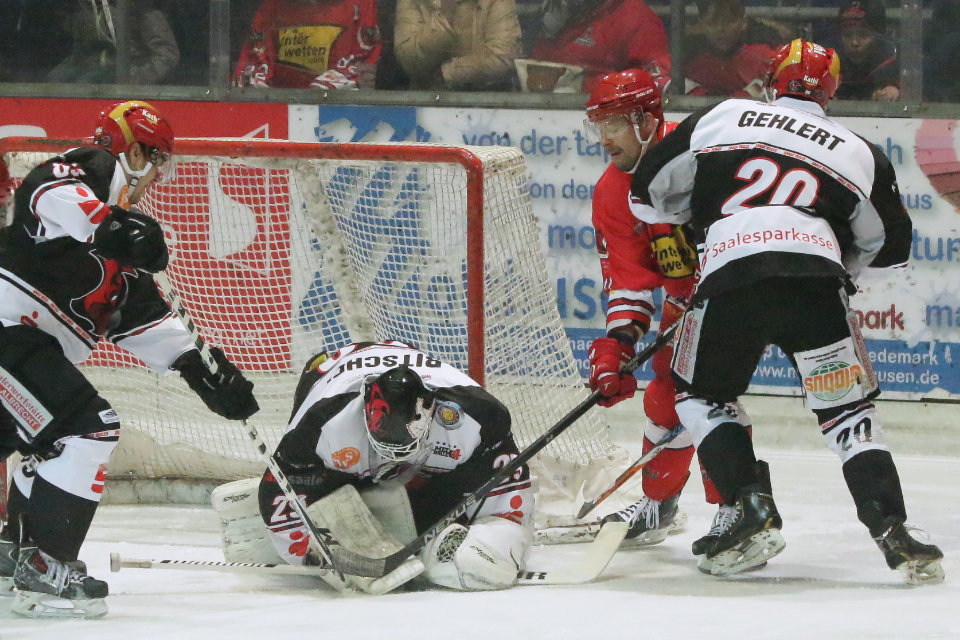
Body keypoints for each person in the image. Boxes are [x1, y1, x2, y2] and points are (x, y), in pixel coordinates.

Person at [628, 39, 944, 585]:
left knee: (701, 394)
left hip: (732, 274)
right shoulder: (859, 149)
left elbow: (644, 195)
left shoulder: (721, 116)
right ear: (832, 90)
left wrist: (704, 209)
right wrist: (832, 249)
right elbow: (892, 248)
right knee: (848, 413)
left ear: (771, 81)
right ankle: (892, 527)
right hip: (816, 284)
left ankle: (749, 501)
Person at [0, 100, 259, 618]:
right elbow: (50, 191)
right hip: (7, 336)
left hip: (20, 350)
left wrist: (200, 370)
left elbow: (145, 319)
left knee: (55, 436)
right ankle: (46, 569)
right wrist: (115, 227)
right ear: (135, 151)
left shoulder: (117, 248)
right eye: (156, 160)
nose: (157, 177)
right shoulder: (87, 172)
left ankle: (15, 554)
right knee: (87, 428)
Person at [583, 69, 753, 571]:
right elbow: (633, 281)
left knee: (706, 392)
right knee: (666, 393)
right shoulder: (612, 192)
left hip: (743, 286)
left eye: (614, 122)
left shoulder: (702, 155)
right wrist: (619, 344)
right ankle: (659, 505)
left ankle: (738, 508)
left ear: (646, 119)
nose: (605, 137)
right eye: (599, 124)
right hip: (688, 301)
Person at [245, 340, 533, 591]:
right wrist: (314, 553)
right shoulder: (321, 424)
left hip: (405, 365)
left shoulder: (479, 416)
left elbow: (508, 503)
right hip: (326, 371)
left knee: (484, 542)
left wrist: (497, 534)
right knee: (316, 495)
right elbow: (278, 492)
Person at [525, 0, 670, 94]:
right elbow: (540, 58)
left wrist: (582, 84)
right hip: (543, 116)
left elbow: (655, 85)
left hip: (607, 122)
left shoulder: (636, 17)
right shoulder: (553, 11)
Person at [233, 0, 382, 89]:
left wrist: (317, 94)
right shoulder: (271, 7)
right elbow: (252, 70)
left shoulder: (360, 4)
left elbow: (363, 63)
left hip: (340, 111)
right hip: (279, 112)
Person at [394, 0, 521, 91]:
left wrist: (448, 72)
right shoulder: (414, 2)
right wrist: (445, 18)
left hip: (489, 103)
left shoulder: (497, 2)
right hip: (430, 104)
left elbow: (503, 58)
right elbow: (408, 60)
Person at [46, 0, 181, 84]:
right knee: (55, 78)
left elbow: (167, 53)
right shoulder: (82, 10)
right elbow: (81, 52)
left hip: (126, 77)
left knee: (87, 80)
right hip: (91, 73)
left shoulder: (140, 7)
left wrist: (137, 78)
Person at [683, 0, 784, 98]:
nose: (720, 28)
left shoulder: (764, 56)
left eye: (728, 21)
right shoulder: (687, 59)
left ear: (743, 23)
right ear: (701, 24)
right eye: (713, 21)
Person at [826, 0, 899, 101]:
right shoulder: (830, 65)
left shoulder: (895, 65)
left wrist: (896, 90)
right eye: (847, 35)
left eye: (863, 34)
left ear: (878, 37)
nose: (854, 42)